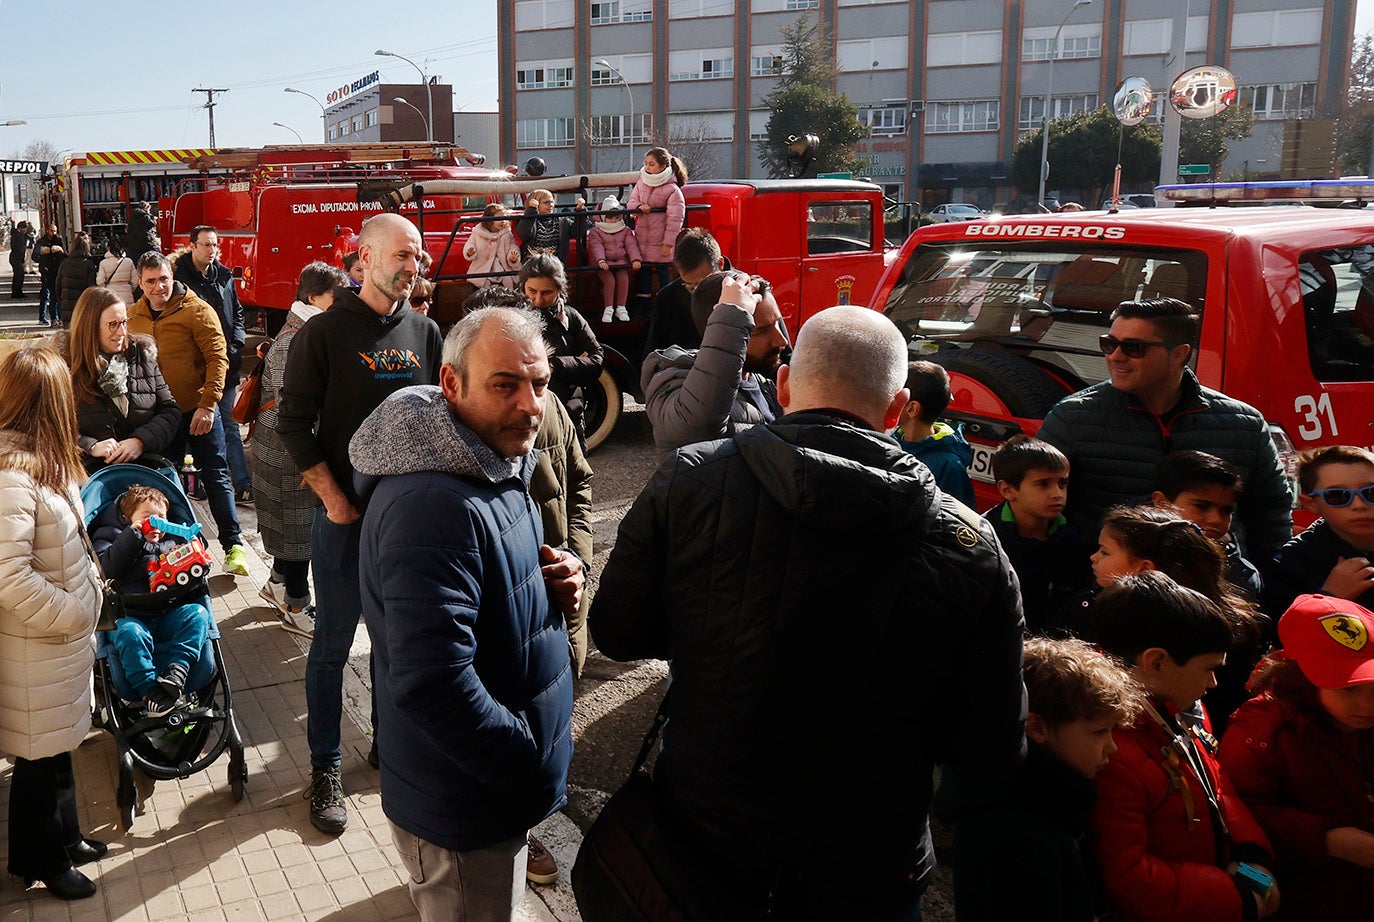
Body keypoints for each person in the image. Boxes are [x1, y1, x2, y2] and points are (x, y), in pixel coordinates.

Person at [591, 305, 1027, 919]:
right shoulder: (970, 546)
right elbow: (989, 752)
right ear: (899, 409)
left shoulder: (687, 480)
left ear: (786, 384)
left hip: (704, 837)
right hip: (868, 863)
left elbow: (616, 630)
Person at [349, 306, 578, 919]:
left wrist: (550, 580)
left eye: (540, 384)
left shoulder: (485, 460)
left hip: (484, 793)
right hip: (468, 802)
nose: (531, 405)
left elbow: (486, 601)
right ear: (452, 384)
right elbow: (433, 683)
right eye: (506, 385)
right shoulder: (433, 504)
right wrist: (523, 761)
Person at [276, 213, 443, 835]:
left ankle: (389, 747)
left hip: (405, 527)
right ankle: (325, 766)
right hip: (344, 522)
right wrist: (334, 499)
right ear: (365, 257)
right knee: (332, 647)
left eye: (418, 255)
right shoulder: (322, 333)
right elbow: (291, 423)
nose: (414, 264)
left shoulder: (425, 331)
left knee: (395, 645)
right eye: (403, 253)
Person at [1036, 297, 1293, 561]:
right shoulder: (1072, 418)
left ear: (1179, 354)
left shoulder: (1244, 424)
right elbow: (1035, 513)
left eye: (1133, 348)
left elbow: (1271, 517)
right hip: (1108, 589)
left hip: (1211, 590)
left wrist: (1267, 586)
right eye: (1109, 344)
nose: (1115, 356)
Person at [1090, 571, 1279, 922]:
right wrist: (1234, 899)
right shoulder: (1110, 749)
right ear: (1156, 662)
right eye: (1209, 668)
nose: (1214, 682)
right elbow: (1127, 875)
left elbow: (1218, 786)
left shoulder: (1184, 706)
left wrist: (1254, 858)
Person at [0, 347, 106, 901]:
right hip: (40, 644)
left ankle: (67, 836)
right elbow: (9, 576)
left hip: (57, 645)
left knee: (58, 746)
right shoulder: (13, 477)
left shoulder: (42, 462)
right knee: (38, 760)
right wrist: (70, 614)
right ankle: (40, 860)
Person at [953, 636, 1146, 922]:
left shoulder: (1051, 804)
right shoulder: (1019, 841)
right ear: (1036, 726)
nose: (1112, 747)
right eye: (1099, 732)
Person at [1219, 594, 1374, 920]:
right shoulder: (1264, 729)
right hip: (1307, 896)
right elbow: (1239, 810)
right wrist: (1329, 840)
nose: (1367, 704)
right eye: (1348, 689)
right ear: (1304, 677)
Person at [127, 252, 250, 577]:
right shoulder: (133, 316)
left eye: (163, 279)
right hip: (159, 419)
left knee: (215, 475)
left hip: (198, 411)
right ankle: (175, 551)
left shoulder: (197, 311)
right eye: (151, 281)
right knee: (164, 483)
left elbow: (218, 358)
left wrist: (208, 405)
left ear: (173, 277)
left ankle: (234, 546)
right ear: (140, 283)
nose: (158, 287)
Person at [252, 262, 348, 637]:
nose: (340, 302)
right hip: (289, 448)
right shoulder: (298, 338)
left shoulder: (301, 330)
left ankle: (277, 582)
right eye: (334, 296)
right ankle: (296, 603)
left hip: (281, 445)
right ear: (313, 297)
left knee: (287, 523)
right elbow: (292, 405)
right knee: (297, 528)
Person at [90, 484, 212, 717]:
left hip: (168, 613)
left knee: (198, 615)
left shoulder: (174, 540)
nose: (157, 523)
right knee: (129, 633)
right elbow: (107, 569)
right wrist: (132, 536)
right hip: (130, 615)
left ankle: (177, 671)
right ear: (127, 518)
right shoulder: (111, 535)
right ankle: (150, 692)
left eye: (162, 518)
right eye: (148, 517)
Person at [641, 270, 787, 462]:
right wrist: (733, 315)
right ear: (722, 327)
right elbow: (698, 427)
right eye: (761, 331)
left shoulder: (763, 383)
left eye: (778, 324)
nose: (781, 340)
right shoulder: (674, 383)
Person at [59, 287, 180, 473]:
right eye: (113, 324)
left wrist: (140, 441)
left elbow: (170, 411)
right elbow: (49, 424)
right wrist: (89, 446)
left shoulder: (141, 356)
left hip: (145, 472)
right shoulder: (63, 367)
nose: (122, 332)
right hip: (89, 479)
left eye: (124, 322)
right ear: (89, 326)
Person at [174, 226, 251, 504]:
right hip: (195, 369)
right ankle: (196, 482)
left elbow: (237, 313)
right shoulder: (177, 281)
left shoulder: (225, 276)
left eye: (214, 245)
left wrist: (236, 343)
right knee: (195, 427)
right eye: (206, 245)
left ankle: (242, 484)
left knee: (229, 425)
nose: (211, 250)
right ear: (192, 246)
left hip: (226, 365)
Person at [984, 435, 1090, 634]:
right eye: (1043, 484)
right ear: (1007, 490)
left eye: (1062, 483)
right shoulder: (987, 537)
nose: (1057, 494)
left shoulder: (1071, 538)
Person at [1263, 445, 1374, 614]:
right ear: (1311, 504)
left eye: (1371, 493)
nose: (1359, 505)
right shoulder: (1292, 564)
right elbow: (1285, 633)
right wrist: (1328, 598)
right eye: (1337, 496)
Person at [1152, 450, 1263, 602]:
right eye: (1201, 507)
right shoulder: (1127, 556)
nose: (1216, 520)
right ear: (1162, 503)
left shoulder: (1242, 575)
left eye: (1226, 511)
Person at [518, 254, 603, 444]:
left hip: (570, 414)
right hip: (530, 418)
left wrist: (555, 366)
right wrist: (575, 366)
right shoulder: (515, 319)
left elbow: (596, 361)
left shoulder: (571, 317)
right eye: (532, 291)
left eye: (546, 292)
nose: (538, 299)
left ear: (559, 289)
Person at [894, 360, 975, 506]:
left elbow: (957, 519)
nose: (888, 400)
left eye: (895, 395)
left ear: (912, 408)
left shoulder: (949, 466)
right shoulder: (892, 444)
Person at [642, 227, 728, 358]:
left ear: (720, 264)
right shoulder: (668, 298)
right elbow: (652, 356)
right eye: (689, 285)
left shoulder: (746, 291)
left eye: (702, 283)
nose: (697, 291)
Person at [626, 146, 687, 310]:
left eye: (651, 164)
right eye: (646, 163)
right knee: (644, 273)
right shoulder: (641, 183)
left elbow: (675, 218)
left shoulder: (673, 190)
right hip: (642, 239)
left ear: (663, 166)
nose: (647, 167)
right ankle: (642, 304)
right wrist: (639, 206)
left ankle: (667, 305)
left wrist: (668, 243)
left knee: (663, 273)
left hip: (661, 241)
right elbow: (631, 202)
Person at [586, 194, 642, 323]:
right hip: (602, 264)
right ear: (604, 218)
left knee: (624, 280)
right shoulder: (596, 231)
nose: (615, 221)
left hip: (621, 262)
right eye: (611, 218)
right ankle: (608, 308)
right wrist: (601, 260)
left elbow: (631, 245)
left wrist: (635, 259)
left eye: (618, 218)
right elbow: (596, 246)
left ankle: (621, 308)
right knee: (609, 281)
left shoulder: (625, 230)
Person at [514, 189, 585, 263]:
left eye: (552, 202)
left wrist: (580, 211)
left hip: (555, 263)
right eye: (546, 202)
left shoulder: (562, 221)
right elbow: (524, 234)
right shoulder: (530, 220)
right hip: (533, 262)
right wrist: (531, 211)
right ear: (536, 204)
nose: (551, 205)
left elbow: (577, 232)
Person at [462, 203, 521, 289]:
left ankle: (510, 295)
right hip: (483, 267)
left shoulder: (507, 233)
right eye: (499, 219)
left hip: (502, 267)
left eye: (504, 218)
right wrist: (470, 251)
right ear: (489, 220)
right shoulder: (478, 233)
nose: (503, 221)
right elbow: (470, 243)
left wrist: (512, 257)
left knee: (508, 280)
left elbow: (513, 245)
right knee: (483, 283)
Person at [56, 235, 98, 323]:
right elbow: (91, 287)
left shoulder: (65, 263)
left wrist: (62, 299)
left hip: (67, 304)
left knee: (69, 332)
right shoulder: (89, 264)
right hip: (83, 304)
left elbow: (58, 285)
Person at [35, 224, 66, 327]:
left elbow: (64, 255)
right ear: (47, 230)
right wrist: (44, 256)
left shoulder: (59, 240)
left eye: (55, 231)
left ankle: (58, 318)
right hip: (47, 272)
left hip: (57, 271)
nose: (54, 233)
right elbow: (34, 256)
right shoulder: (41, 242)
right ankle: (45, 318)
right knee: (46, 295)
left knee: (56, 297)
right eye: (52, 231)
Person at [96, 238, 138, 306]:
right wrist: (129, 289)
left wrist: (106, 289)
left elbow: (99, 281)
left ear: (108, 248)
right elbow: (135, 281)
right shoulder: (128, 261)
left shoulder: (103, 263)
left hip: (111, 294)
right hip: (127, 295)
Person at [9, 219, 34, 299]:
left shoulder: (19, 234)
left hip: (15, 258)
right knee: (18, 276)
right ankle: (16, 293)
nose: (26, 230)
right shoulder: (17, 236)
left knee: (19, 276)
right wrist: (22, 261)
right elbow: (19, 250)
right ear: (21, 228)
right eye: (25, 228)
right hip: (17, 259)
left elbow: (31, 233)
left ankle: (18, 291)